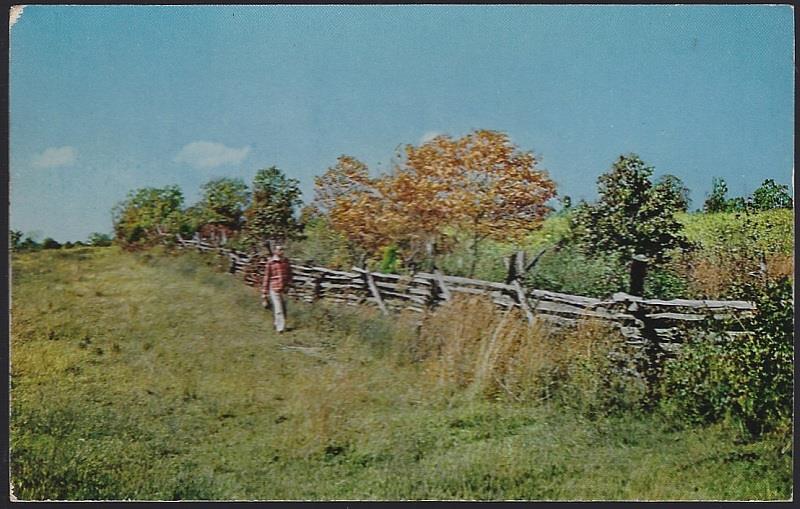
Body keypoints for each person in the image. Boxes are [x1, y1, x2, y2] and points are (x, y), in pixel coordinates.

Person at [261, 244, 293, 333]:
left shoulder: (286, 261)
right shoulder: (271, 262)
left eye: (282, 249)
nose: (281, 251)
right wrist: (264, 293)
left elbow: (290, 274)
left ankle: (277, 323)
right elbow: (266, 277)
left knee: (284, 308)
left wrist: (289, 285)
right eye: (279, 250)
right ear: (275, 251)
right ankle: (280, 329)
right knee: (278, 309)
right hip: (274, 288)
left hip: (284, 288)